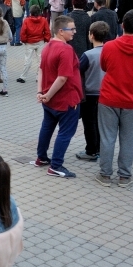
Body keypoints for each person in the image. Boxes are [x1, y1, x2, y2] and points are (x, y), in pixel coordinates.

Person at [94, 10, 133, 187]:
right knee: (129, 139)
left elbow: (104, 66)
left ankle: (105, 174)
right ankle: (125, 176)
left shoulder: (110, 46)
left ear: (122, 25)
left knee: (107, 138)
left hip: (109, 98)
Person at [32, 15, 84, 178]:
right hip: (66, 99)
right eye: (72, 29)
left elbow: (41, 70)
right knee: (65, 132)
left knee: (47, 127)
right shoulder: (66, 50)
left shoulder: (47, 46)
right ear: (61, 31)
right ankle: (56, 165)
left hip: (49, 100)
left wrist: (41, 92)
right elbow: (63, 77)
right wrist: (47, 94)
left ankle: (41, 157)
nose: (75, 32)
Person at [76, 21, 108, 162]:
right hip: (105, 93)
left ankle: (91, 150)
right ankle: (101, 149)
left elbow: (77, 71)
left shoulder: (88, 55)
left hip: (89, 94)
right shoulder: (109, 51)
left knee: (89, 124)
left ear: (91, 35)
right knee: (101, 123)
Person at [17, 4, 51, 84]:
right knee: (40, 60)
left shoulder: (27, 20)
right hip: (40, 41)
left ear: (31, 12)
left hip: (29, 42)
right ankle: (39, 77)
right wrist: (46, 39)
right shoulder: (43, 20)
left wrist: (24, 40)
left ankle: (23, 77)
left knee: (27, 60)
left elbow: (23, 32)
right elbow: (47, 31)